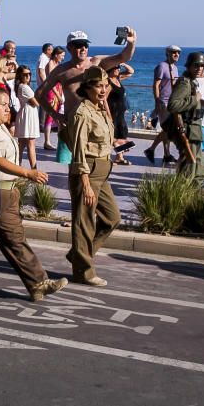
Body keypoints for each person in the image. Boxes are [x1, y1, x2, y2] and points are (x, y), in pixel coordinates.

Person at [0, 87, 67, 301]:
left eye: (7, 104)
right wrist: (27, 173)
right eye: (2, 104)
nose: (7, 108)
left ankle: (38, 284)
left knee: (15, 240)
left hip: (8, 195)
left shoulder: (2, 128)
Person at [35, 29, 137, 166]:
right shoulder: (61, 71)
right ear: (69, 48)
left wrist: (131, 43)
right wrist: (56, 115)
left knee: (97, 164)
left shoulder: (96, 63)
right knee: (75, 166)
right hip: (73, 124)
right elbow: (39, 94)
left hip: (96, 124)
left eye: (86, 45)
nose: (83, 48)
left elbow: (123, 57)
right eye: (78, 45)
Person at [65, 66, 122, 286]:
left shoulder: (99, 109)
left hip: (102, 172)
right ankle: (84, 272)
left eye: (105, 85)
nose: (103, 89)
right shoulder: (82, 112)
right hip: (86, 171)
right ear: (87, 88)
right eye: (98, 86)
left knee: (112, 218)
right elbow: (79, 150)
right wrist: (85, 184)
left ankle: (79, 254)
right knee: (84, 223)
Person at [167, 52, 204, 184]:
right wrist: (194, 99)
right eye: (196, 65)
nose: (200, 69)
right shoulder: (184, 83)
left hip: (194, 130)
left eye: (202, 66)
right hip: (188, 130)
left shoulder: (191, 82)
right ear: (189, 66)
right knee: (188, 170)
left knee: (199, 170)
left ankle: (192, 196)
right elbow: (173, 105)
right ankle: (182, 197)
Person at [144, 45, 181, 166]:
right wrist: (157, 101)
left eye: (178, 53)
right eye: (173, 52)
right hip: (163, 102)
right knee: (168, 128)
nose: (176, 55)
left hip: (173, 102)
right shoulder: (162, 66)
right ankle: (151, 149)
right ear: (167, 53)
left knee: (167, 129)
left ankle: (166, 155)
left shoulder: (175, 68)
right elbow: (156, 84)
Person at [106, 63, 134, 164]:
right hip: (112, 112)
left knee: (122, 133)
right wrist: (107, 113)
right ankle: (108, 157)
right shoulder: (108, 82)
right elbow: (103, 99)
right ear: (110, 69)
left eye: (119, 68)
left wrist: (123, 64)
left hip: (120, 112)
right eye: (116, 67)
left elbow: (131, 71)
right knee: (111, 135)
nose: (118, 69)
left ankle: (119, 157)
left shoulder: (118, 78)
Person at [13, 65, 41, 168]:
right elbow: (36, 103)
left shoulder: (21, 86)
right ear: (20, 75)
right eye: (25, 74)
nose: (28, 76)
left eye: (29, 74)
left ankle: (17, 167)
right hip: (28, 116)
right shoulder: (24, 87)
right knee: (31, 145)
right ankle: (34, 170)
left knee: (22, 145)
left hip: (26, 115)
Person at [41, 46, 65, 148]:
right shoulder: (50, 64)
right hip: (52, 91)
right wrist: (58, 95)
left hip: (59, 89)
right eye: (62, 55)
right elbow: (50, 82)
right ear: (56, 55)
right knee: (50, 115)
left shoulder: (57, 64)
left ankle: (60, 139)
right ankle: (47, 141)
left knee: (59, 115)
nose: (63, 58)